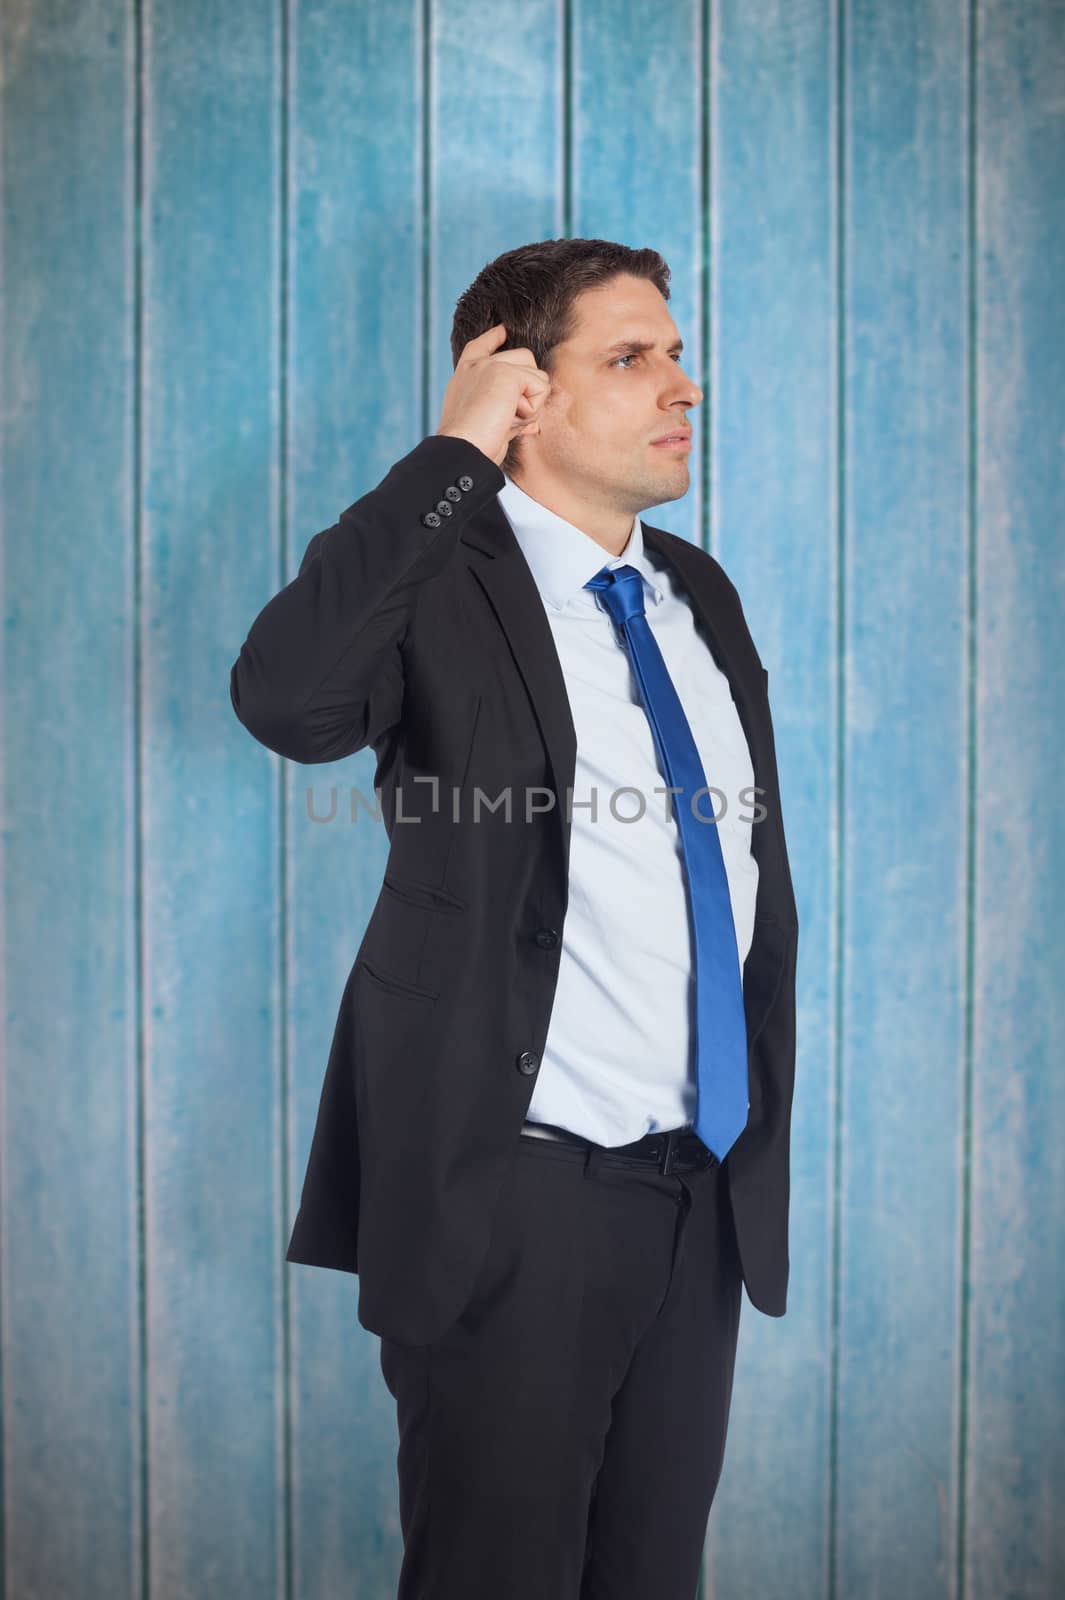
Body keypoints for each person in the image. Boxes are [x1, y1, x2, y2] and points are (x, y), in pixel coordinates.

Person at [229, 237, 799, 1600]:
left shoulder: (694, 593)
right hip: (514, 1201)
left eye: (674, 349)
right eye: (630, 356)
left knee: (650, 1577)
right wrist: (450, 462)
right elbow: (291, 701)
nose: (682, 385)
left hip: (700, 1196)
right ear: (521, 391)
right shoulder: (445, 579)